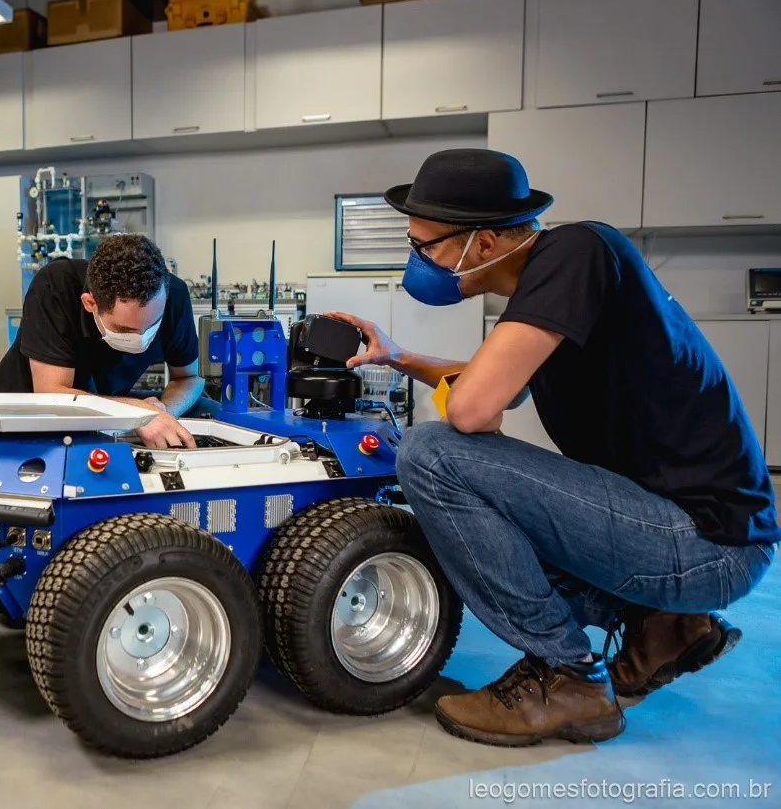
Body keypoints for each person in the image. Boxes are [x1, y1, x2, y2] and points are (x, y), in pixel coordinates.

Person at [329, 148, 776, 748]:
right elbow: (496, 384)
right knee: (469, 527)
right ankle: (663, 625)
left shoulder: (578, 251)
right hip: (681, 528)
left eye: (424, 247)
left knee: (432, 454)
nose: (418, 262)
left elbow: (474, 407)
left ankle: (567, 675)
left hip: (708, 542)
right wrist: (398, 355)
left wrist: (463, 405)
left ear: (483, 244)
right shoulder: (559, 284)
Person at [0, 234, 204, 449]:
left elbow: (190, 377)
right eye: (125, 329)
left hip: (108, 406)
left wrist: (163, 413)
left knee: (207, 409)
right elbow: (53, 394)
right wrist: (137, 413)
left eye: (152, 325)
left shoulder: (173, 295)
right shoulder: (56, 285)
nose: (141, 336)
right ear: (90, 303)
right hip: (30, 414)